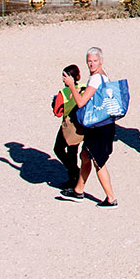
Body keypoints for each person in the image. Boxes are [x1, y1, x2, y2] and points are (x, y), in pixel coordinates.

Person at [72, 47, 119, 207]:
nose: (91, 64)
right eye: (89, 61)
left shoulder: (95, 79)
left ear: (101, 61)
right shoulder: (104, 75)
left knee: (99, 162)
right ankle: (78, 190)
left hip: (98, 128)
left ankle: (111, 198)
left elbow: (80, 102)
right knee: (85, 155)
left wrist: (72, 86)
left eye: (94, 61)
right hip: (106, 124)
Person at [52, 63, 84, 196]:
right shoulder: (83, 88)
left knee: (58, 149)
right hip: (79, 127)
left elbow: (57, 112)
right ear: (78, 76)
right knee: (73, 152)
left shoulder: (63, 93)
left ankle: (74, 173)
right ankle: (74, 179)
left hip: (67, 127)